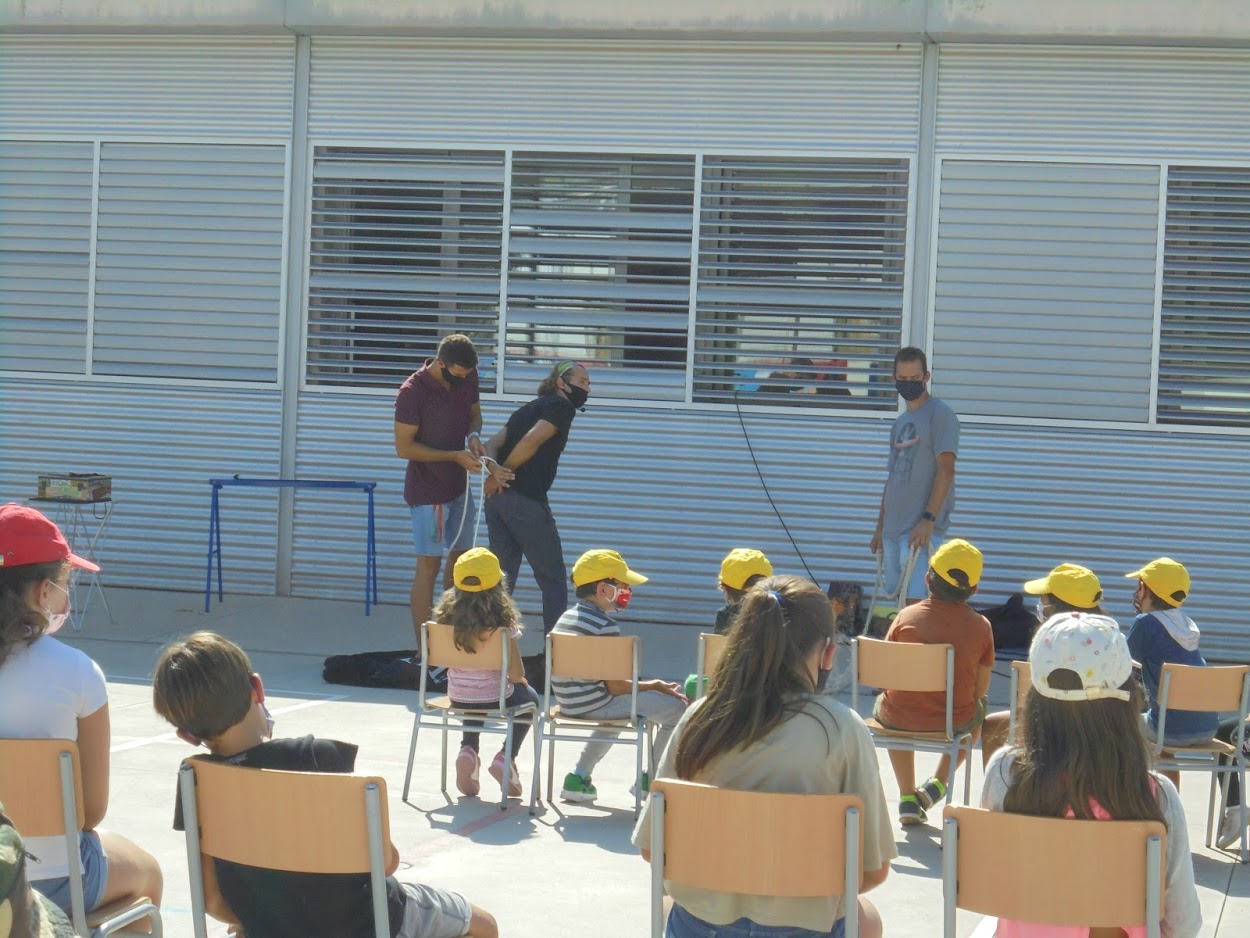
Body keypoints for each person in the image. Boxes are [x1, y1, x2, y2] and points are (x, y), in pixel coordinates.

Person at [152, 631, 498, 938]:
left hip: (270, 929)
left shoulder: (196, 780)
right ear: (257, 688)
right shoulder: (318, 756)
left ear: (187, 735)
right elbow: (385, 862)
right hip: (369, 923)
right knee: (484, 925)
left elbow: (213, 900)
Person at [633, 575, 895, 938]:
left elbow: (655, 851)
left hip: (701, 927)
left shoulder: (699, 717)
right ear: (828, 653)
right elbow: (872, 870)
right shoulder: (842, 728)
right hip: (805, 929)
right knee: (868, 919)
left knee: (668, 905)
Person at [981, 613, 1201, 937]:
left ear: (1036, 695)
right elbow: (1184, 923)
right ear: (1126, 698)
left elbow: (992, 883)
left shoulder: (1005, 773)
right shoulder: (1156, 795)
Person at [0, 504, 163, 920]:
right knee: (149, 874)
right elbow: (90, 812)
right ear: (43, 592)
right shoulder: (78, 672)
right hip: (55, 879)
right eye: (64, 583)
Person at [394, 334, 512, 644]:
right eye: (456, 374)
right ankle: (424, 648)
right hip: (428, 492)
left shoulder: (468, 376)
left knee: (461, 563)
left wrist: (473, 436)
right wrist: (453, 457)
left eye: (466, 375)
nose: (461, 380)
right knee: (428, 566)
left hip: (459, 488)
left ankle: (451, 638)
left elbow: (475, 414)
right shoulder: (412, 392)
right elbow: (404, 448)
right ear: (441, 363)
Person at [874, 538, 993, 826]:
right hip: (954, 721)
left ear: (927, 579)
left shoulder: (905, 616)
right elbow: (980, 690)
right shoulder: (982, 627)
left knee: (892, 706)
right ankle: (938, 783)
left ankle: (907, 797)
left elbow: (884, 677)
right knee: (980, 711)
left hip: (898, 718)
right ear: (974, 590)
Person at [552, 550, 688, 803]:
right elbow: (615, 688)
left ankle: (578, 777)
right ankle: (650, 780)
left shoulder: (565, 618)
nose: (628, 590)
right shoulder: (605, 626)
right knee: (678, 710)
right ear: (603, 589)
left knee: (617, 714)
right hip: (597, 703)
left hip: (569, 703)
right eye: (622, 585)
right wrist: (653, 685)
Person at [484, 360, 591, 638]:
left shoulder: (527, 409)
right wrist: (502, 474)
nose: (587, 388)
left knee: (500, 579)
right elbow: (532, 440)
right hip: (526, 501)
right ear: (561, 383)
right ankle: (556, 655)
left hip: (498, 501)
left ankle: (489, 649)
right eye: (582, 382)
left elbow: (490, 444)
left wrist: (495, 472)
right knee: (552, 579)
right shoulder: (561, 407)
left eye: (589, 383)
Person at [434, 547, 541, 799]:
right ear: (498, 583)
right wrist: (520, 681)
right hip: (496, 696)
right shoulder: (503, 624)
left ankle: (468, 749)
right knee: (531, 699)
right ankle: (506, 757)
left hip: (458, 696)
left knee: (474, 696)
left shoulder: (443, 621)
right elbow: (516, 674)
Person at [980, 563, 1107, 769]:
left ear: (1057, 606)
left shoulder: (1046, 641)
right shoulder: (1109, 638)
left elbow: (1029, 701)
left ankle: (1001, 787)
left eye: (1044, 598)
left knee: (992, 726)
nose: (1040, 603)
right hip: (1098, 727)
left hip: (1050, 726)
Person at [869, 346, 960, 602]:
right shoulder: (899, 423)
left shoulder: (940, 414)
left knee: (916, 604)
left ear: (926, 377)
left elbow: (946, 469)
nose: (909, 383)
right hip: (892, 532)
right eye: (903, 378)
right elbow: (892, 479)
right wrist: (880, 527)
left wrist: (928, 520)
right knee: (895, 603)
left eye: (914, 378)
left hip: (920, 531)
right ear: (894, 379)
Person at [1125, 558, 1220, 765]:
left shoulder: (1145, 623)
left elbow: (1121, 668)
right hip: (1208, 728)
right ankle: (1167, 787)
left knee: (1117, 726)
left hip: (1167, 731)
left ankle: (1132, 785)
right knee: (1164, 729)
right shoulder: (1187, 625)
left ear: (1144, 588)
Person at [682, 548, 774, 700]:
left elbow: (718, 665)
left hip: (733, 689)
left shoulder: (725, 615)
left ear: (725, 589)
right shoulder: (782, 612)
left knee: (692, 684)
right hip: (773, 687)